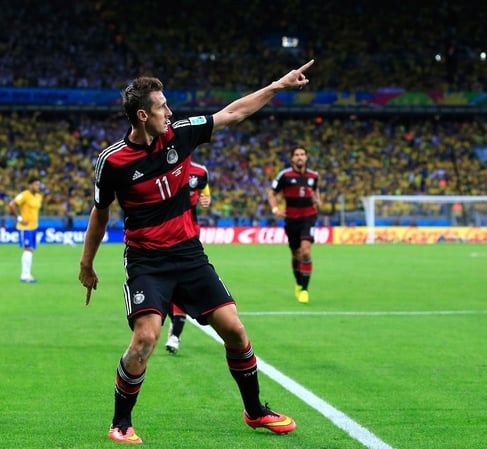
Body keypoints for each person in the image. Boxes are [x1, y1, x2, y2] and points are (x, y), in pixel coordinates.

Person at [78, 59, 313, 444]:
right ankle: (121, 423)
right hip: (147, 262)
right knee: (146, 340)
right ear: (142, 115)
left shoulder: (180, 134)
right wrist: (87, 263)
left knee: (235, 330)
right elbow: (100, 213)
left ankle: (255, 412)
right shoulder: (113, 162)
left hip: (189, 256)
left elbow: (233, 112)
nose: (170, 113)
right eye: (162, 108)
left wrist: (278, 85)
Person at [165, 158, 211, 354]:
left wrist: (206, 199)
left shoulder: (200, 172)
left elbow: (205, 193)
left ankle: (175, 334)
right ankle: (174, 322)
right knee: (165, 288)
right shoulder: (162, 166)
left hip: (189, 237)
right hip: (162, 236)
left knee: (179, 284)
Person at [267, 147, 321, 304]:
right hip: (291, 219)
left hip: (309, 217)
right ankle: (298, 283)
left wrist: (318, 200)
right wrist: (275, 208)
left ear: (306, 157)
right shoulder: (284, 175)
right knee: (296, 254)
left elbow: (316, 192)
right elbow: (271, 193)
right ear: (292, 159)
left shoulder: (314, 176)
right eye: (297, 155)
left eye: (302, 154)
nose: (300, 157)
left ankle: (304, 290)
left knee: (305, 252)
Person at [8, 177, 43, 283]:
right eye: (36, 184)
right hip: (25, 227)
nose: (38, 187)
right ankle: (25, 275)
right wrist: (19, 218)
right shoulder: (24, 195)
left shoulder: (39, 196)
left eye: (39, 184)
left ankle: (27, 274)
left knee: (30, 249)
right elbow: (11, 204)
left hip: (34, 227)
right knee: (28, 249)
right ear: (30, 185)